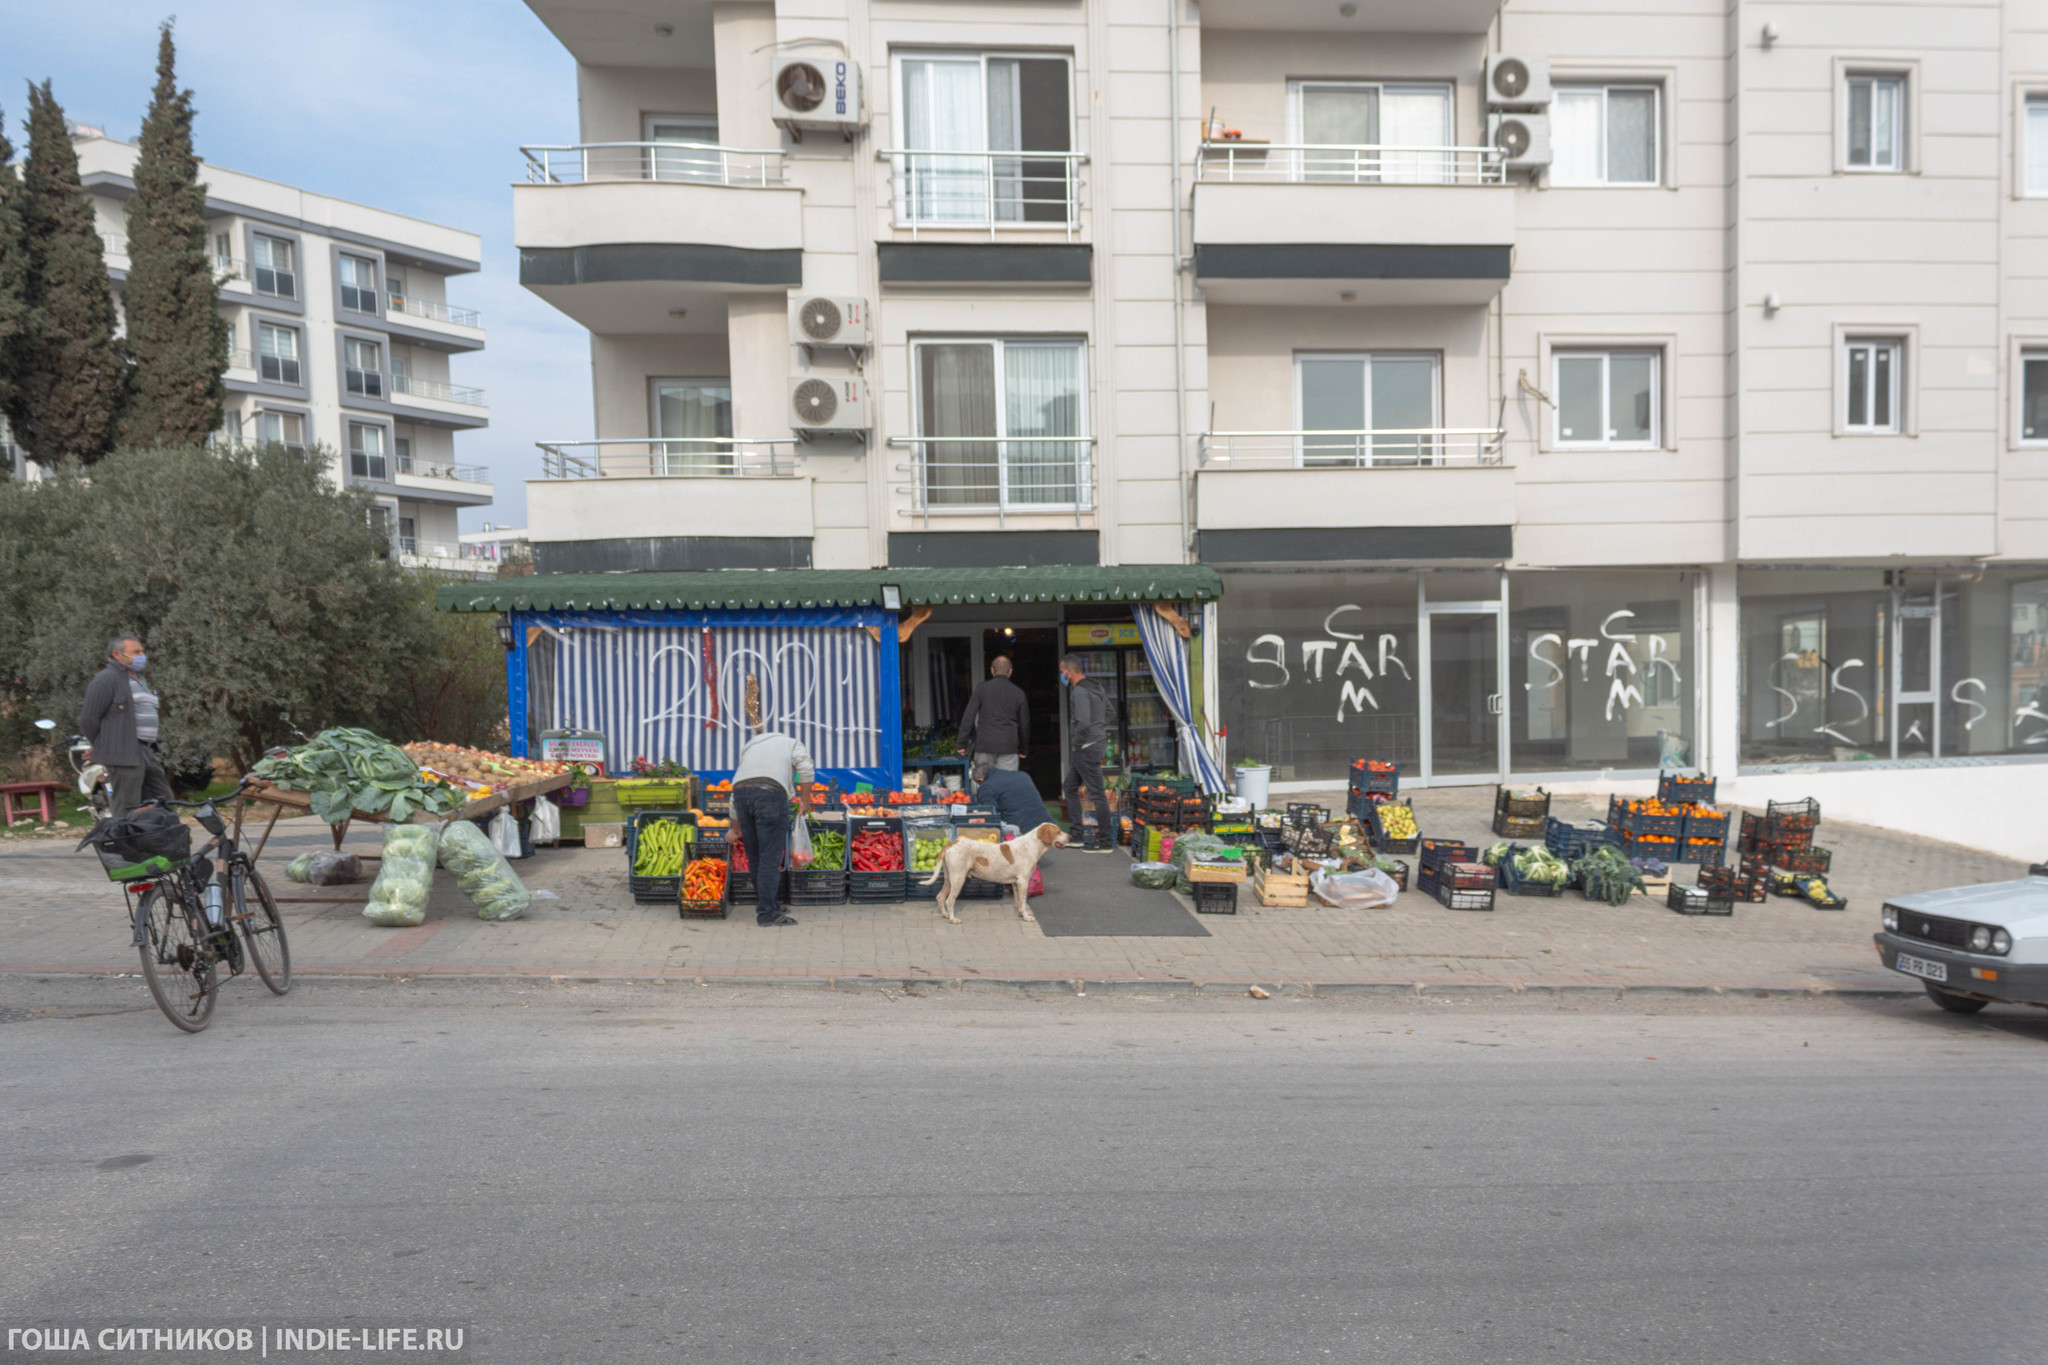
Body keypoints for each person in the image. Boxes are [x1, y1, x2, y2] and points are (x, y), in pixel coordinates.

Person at [79, 636, 173, 818]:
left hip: (145, 749)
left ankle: (156, 840)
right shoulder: (106, 680)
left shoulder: (139, 679)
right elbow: (88, 720)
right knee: (127, 806)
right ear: (117, 654)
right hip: (123, 752)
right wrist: (101, 744)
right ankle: (122, 843)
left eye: (142, 651)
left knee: (163, 799)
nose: (142, 655)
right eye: (136, 652)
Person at [730, 727, 815, 927]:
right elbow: (805, 768)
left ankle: (768, 904)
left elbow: (735, 793)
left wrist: (735, 829)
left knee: (755, 856)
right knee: (770, 857)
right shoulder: (791, 743)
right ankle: (767, 913)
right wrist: (805, 800)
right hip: (770, 793)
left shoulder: (749, 747)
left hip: (741, 794)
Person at [1058, 653, 1114, 851]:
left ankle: (1106, 842)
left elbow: (1082, 721)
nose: (1062, 675)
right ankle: (1077, 835)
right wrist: (1098, 730)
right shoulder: (1096, 687)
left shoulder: (1079, 692)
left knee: (1097, 794)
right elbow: (1110, 713)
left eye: (1062, 672)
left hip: (1086, 748)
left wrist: (1078, 743)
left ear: (1069, 671)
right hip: (1095, 744)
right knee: (1070, 786)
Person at [955, 655, 1029, 773]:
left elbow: (969, 716)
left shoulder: (981, 689)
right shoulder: (1018, 693)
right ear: (1010, 671)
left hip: (985, 744)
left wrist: (961, 743)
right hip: (1008, 745)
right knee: (1007, 784)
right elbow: (1024, 723)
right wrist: (1023, 748)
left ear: (992, 670)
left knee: (984, 783)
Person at [971, 758, 1053, 836]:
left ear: (980, 779)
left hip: (1021, 832)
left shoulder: (987, 786)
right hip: (1048, 826)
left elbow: (989, 814)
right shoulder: (1023, 775)